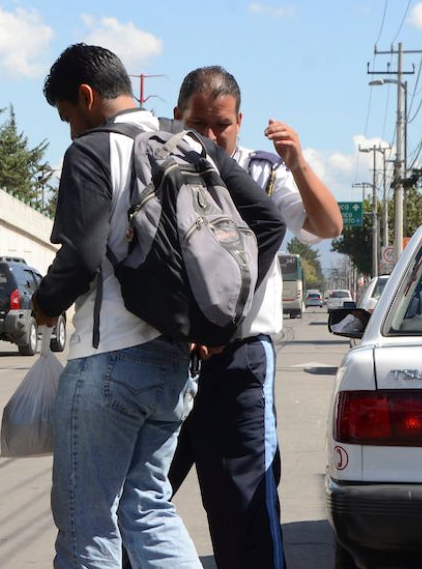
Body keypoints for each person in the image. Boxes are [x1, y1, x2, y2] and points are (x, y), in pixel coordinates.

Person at [31, 45, 285, 569]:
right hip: (174, 366)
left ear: (86, 96)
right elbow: (267, 223)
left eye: (68, 117)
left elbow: (79, 256)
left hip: (108, 361)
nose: (71, 131)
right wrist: (220, 325)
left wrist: (45, 306)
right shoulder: (189, 142)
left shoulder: (92, 150)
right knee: (147, 510)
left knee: (87, 523)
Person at [167, 65, 342, 569]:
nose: (209, 135)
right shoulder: (160, 163)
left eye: (220, 124)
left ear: (239, 121)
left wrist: (299, 162)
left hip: (240, 364)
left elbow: (326, 224)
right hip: (171, 356)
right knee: (140, 498)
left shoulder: (263, 171)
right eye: (198, 123)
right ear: (180, 118)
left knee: (244, 509)